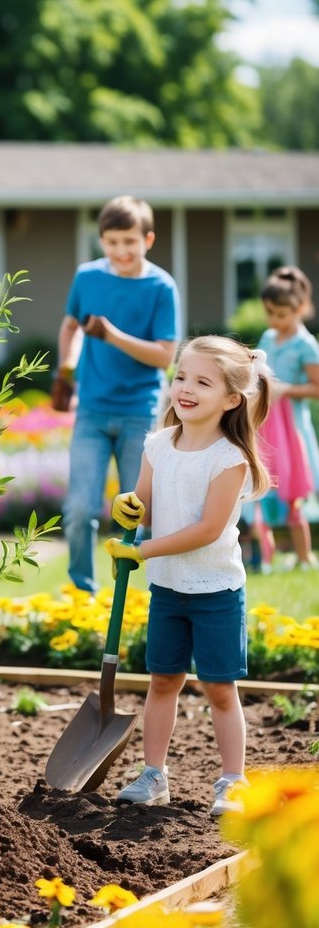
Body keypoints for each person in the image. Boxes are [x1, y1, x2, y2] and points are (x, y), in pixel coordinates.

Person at [106, 335, 271, 816]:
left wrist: (145, 550)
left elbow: (208, 529)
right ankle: (153, 774)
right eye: (181, 377)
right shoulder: (158, 444)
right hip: (168, 587)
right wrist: (127, 506)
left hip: (216, 589)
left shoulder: (229, 459)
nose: (186, 388)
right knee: (162, 681)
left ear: (232, 399)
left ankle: (233, 780)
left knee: (219, 687)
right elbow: (143, 503)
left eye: (203, 381)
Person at [52, 196, 180, 593]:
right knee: (78, 510)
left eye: (129, 241)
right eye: (112, 242)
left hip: (139, 412)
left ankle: (133, 595)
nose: (121, 251)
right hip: (91, 408)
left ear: (148, 239)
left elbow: (164, 356)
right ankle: (82, 592)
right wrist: (67, 370)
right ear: (101, 241)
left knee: (137, 514)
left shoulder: (161, 286)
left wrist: (112, 335)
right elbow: (71, 326)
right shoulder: (87, 277)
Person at [250, 266, 319, 572]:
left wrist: (286, 389)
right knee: (261, 494)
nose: (274, 320)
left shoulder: (305, 345)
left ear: (300, 308)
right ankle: (266, 556)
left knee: (294, 496)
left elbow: (316, 388)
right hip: (266, 428)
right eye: (270, 313)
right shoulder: (268, 337)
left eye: (281, 314)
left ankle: (304, 556)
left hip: (292, 431)